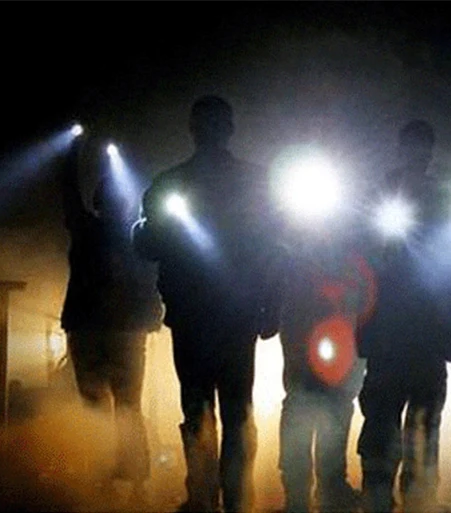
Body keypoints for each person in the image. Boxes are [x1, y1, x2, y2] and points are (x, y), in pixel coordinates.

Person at [133, 95, 278, 512]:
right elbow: (275, 250)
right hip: (228, 317)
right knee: (231, 412)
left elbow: (147, 244)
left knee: (206, 411)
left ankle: (207, 498)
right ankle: (230, 499)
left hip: (200, 317)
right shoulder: (254, 182)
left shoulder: (172, 182)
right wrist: (271, 307)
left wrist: (270, 304)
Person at [356, 120, 451, 513]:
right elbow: (363, 268)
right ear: (402, 149)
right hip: (392, 334)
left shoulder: (443, 201)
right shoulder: (382, 196)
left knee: (420, 424)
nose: (417, 154)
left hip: (423, 335)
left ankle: (416, 498)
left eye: (423, 147)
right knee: (383, 420)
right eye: (413, 146)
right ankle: (379, 497)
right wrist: (363, 329)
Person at [59, 134, 163, 502]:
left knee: (95, 406)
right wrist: (153, 315)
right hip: (124, 331)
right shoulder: (137, 236)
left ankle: (103, 481)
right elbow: (153, 280)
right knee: (128, 406)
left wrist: (72, 151)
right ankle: (134, 483)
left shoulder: (86, 229)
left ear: (98, 203)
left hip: (90, 329)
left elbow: (68, 192)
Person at [273, 220, 376, 513]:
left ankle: (317, 492)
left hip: (334, 352)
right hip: (316, 351)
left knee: (318, 410)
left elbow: (367, 302)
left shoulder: (342, 261)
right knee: (317, 410)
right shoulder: (302, 258)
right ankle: (310, 494)